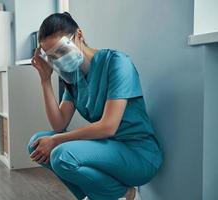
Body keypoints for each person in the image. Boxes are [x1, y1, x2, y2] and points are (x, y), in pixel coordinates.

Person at [27, 12, 163, 200]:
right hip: (107, 149)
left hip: (138, 154)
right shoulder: (73, 77)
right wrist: (45, 80)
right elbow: (59, 125)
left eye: (61, 50)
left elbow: (108, 126)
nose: (58, 60)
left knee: (61, 154)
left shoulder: (117, 63)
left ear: (79, 35)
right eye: (52, 57)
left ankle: (128, 195)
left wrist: (57, 140)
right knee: (37, 144)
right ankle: (100, 196)